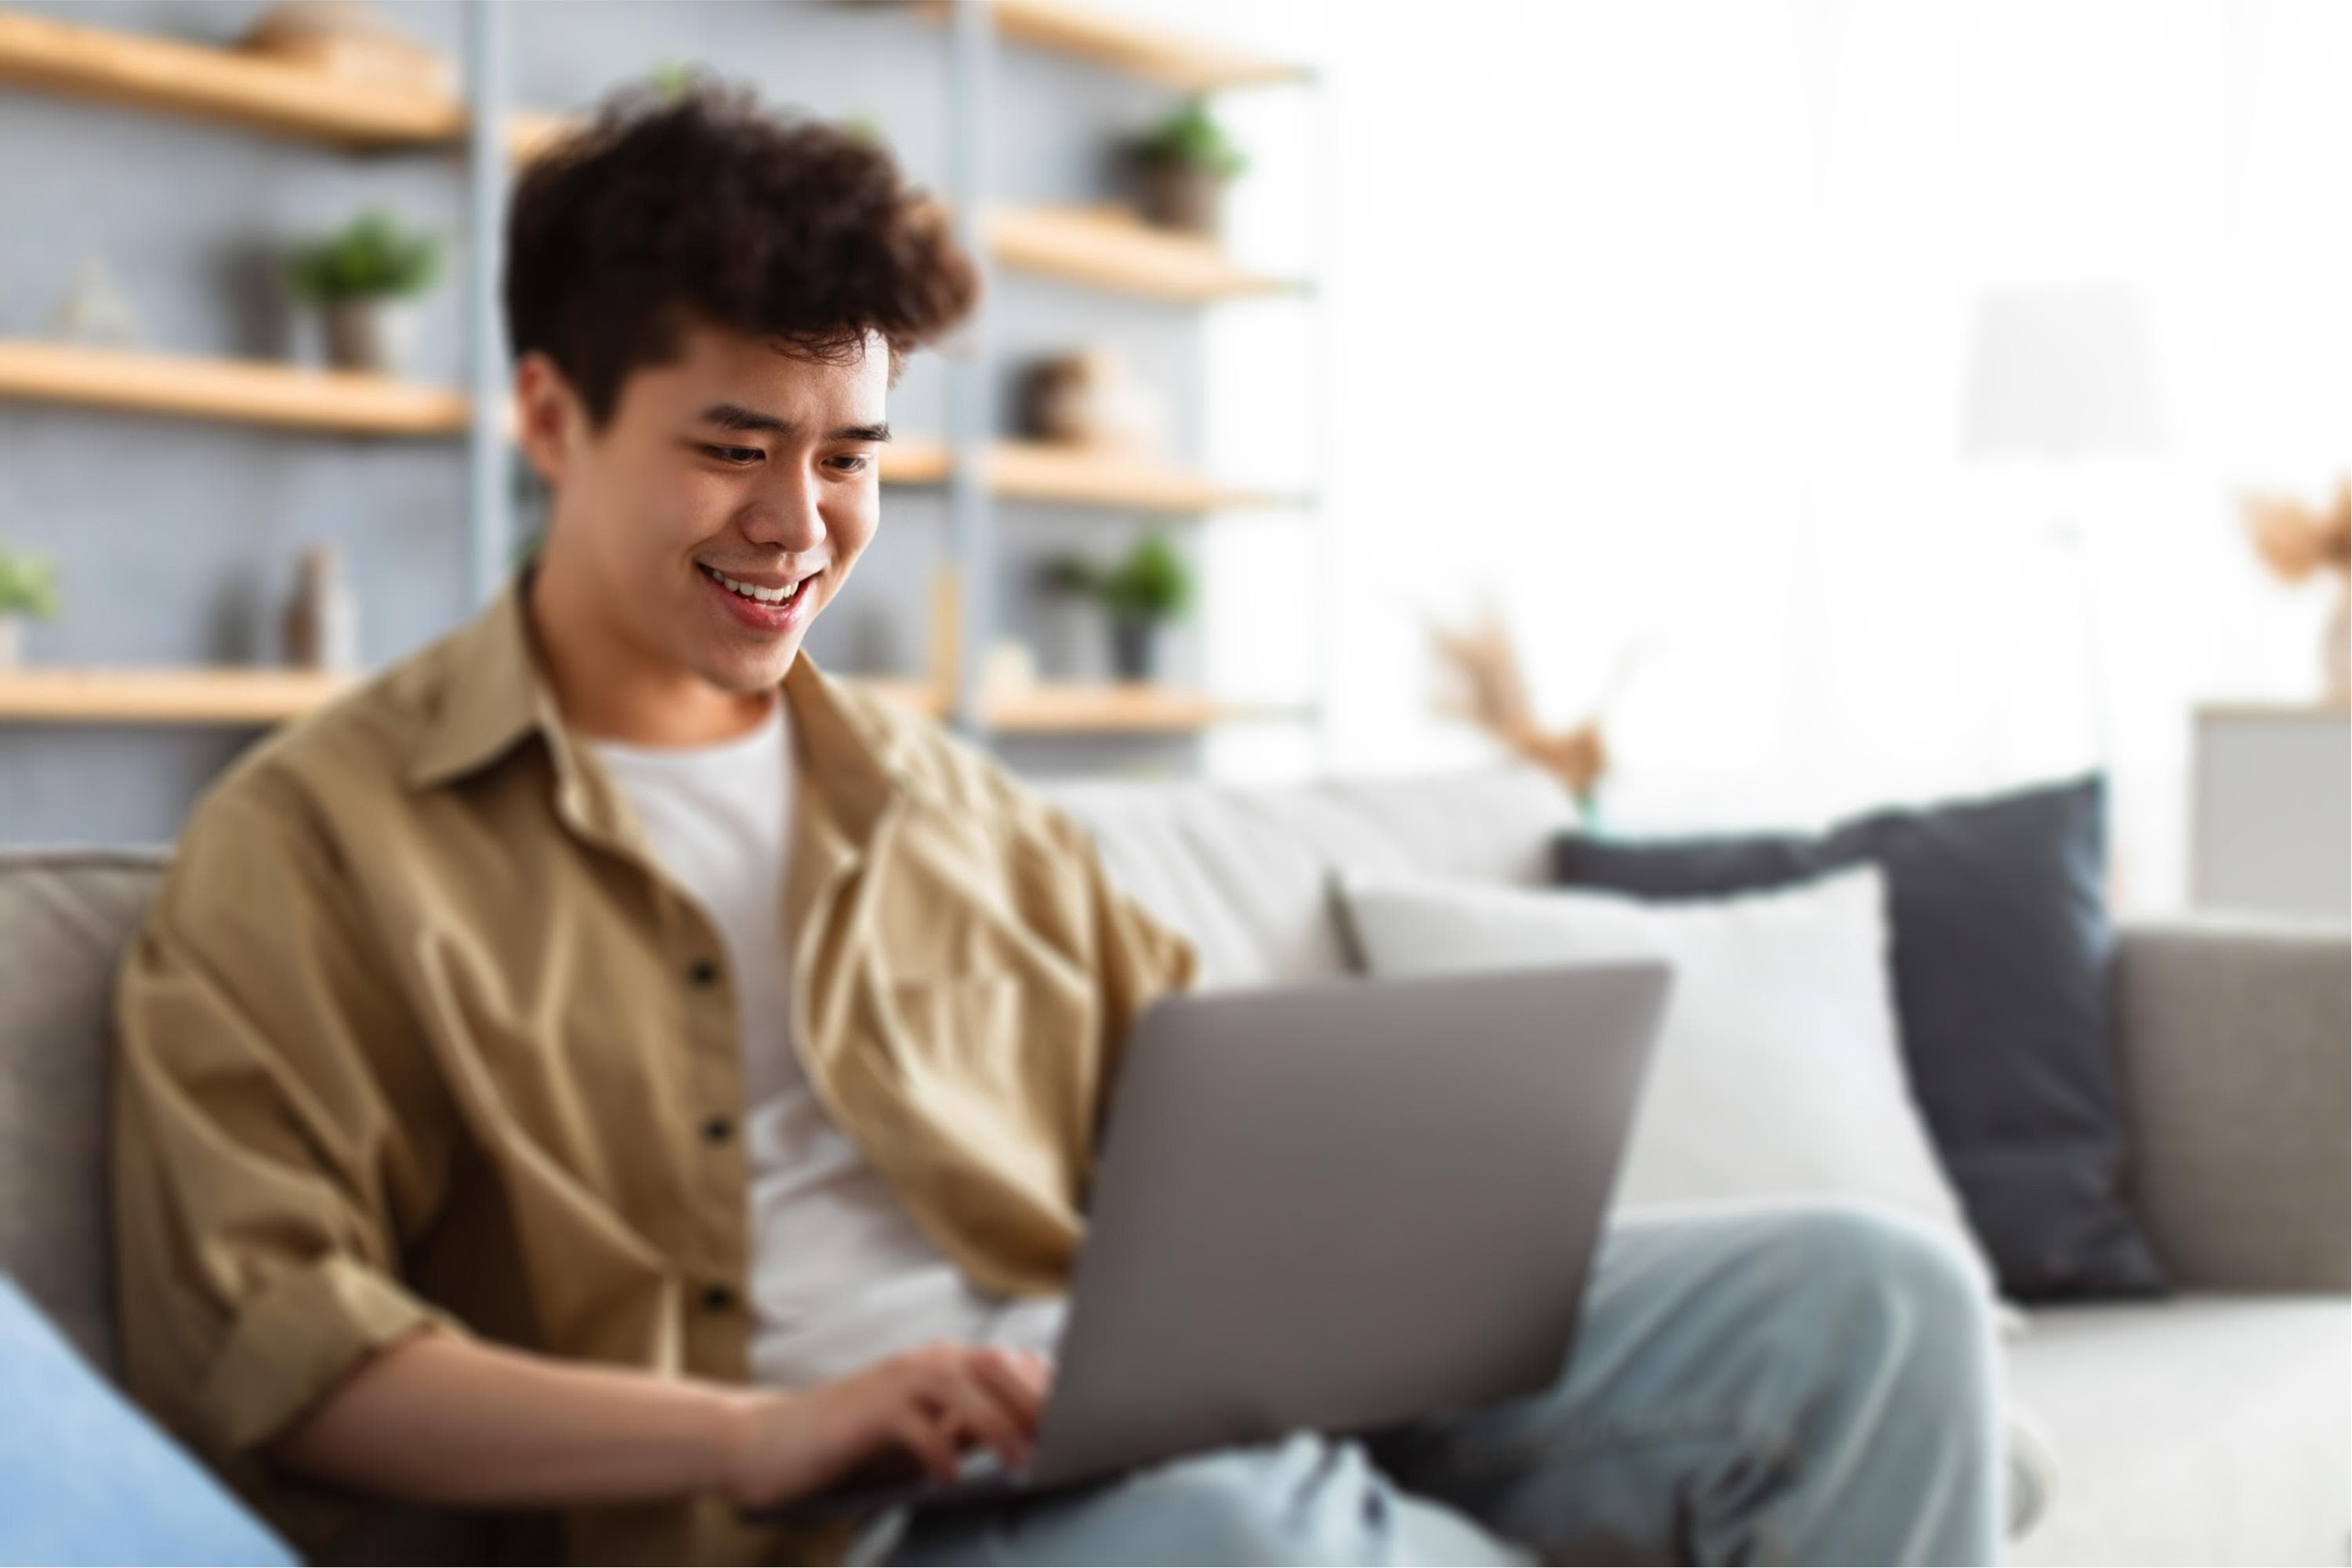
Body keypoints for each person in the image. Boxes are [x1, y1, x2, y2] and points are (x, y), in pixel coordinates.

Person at [111, 78, 2006, 1567]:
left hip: (1127, 1389)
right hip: (826, 1511)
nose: (798, 524)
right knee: (1245, 1535)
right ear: (548, 415)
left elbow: (1215, 1138)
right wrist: (764, 1428)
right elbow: (283, 1352)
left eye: (849, 454)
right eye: (728, 445)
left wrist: (1315, 1296)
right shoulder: (318, 841)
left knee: (1871, 1301)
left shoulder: (949, 809)